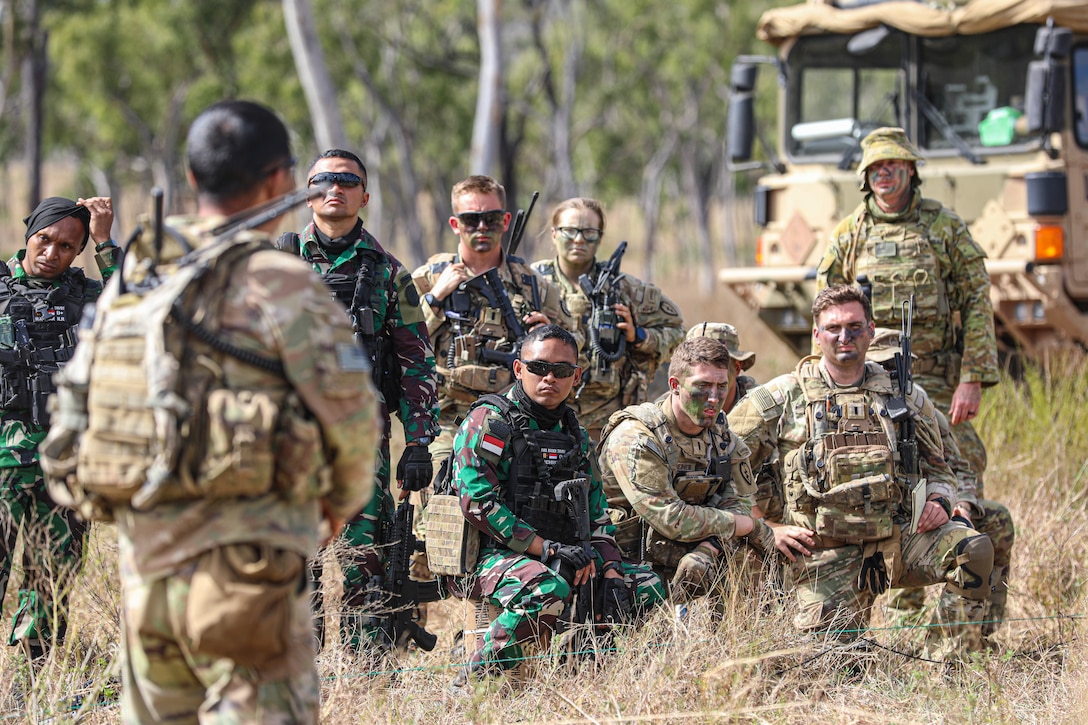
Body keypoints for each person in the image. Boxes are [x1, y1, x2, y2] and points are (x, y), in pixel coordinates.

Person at [41, 100, 379, 722]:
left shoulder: (136, 276)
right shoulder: (287, 284)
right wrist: (320, 519)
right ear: (282, 183)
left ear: (193, 180)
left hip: (146, 567)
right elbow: (357, 437)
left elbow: (71, 419)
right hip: (250, 572)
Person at [727, 285, 993, 661]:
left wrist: (939, 498)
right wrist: (764, 527)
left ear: (870, 330)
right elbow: (724, 462)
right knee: (830, 666)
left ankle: (946, 665)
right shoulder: (781, 398)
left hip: (900, 540)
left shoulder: (905, 395)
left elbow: (941, 467)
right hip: (823, 553)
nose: (844, 336)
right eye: (833, 328)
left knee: (973, 548)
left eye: (854, 326)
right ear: (816, 336)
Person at [816, 126, 1000, 626]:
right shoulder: (849, 234)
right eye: (874, 169)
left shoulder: (944, 227)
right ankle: (900, 616)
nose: (884, 176)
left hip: (938, 380)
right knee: (890, 486)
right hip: (871, 383)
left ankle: (963, 625)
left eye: (892, 166)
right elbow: (827, 311)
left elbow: (977, 302)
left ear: (911, 169)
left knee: (958, 480)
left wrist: (974, 376)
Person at [278, 149, 440, 651]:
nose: (335, 188)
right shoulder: (273, 264)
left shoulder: (390, 273)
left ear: (363, 196)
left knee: (365, 555)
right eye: (323, 179)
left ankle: (365, 669)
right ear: (308, 193)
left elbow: (417, 362)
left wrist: (418, 443)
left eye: (347, 181)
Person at [448, 324, 664, 688]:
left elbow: (597, 511)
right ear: (519, 369)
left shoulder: (574, 433)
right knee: (546, 589)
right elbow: (479, 504)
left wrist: (609, 567)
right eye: (538, 368)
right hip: (486, 556)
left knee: (644, 586)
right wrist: (544, 549)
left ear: (576, 376)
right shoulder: (490, 421)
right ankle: (473, 680)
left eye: (562, 371)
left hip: (561, 552)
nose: (550, 377)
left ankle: (573, 672)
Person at [0, 195, 120, 660]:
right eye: (44, 240)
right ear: (28, 233)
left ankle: (34, 684)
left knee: (50, 581)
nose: (51, 254)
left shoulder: (88, 296)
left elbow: (138, 308)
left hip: (66, 464)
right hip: (5, 461)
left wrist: (105, 241)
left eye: (67, 247)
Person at [598, 337, 802, 602]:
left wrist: (711, 546)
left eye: (721, 386)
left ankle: (737, 638)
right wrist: (743, 525)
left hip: (687, 548)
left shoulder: (721, 434)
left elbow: (739, 499)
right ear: (674, 385)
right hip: (625, 561)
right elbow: (671, 518)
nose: (714, 398)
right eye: (702, 386)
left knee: (751, 555)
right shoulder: (637, 437)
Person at [866, 327, 1015, 649]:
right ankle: (903, 614)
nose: (892, 375)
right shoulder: (850, 409)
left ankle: (970, 636)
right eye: (883, 367)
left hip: (926, 516)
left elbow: (958, 466)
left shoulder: (919, 404)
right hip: (870, 525)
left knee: (997, 520)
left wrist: (961, 506)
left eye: (900, 366)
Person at [531, 198, 684, 441]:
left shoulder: (625, 289)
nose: (579, 239)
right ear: (554, 234)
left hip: (608, 425)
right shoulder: (530, 283)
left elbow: (678, 333)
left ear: (600, 238)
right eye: (570, 231)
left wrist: (639, 336)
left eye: (589, 232)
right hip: (539, 421)